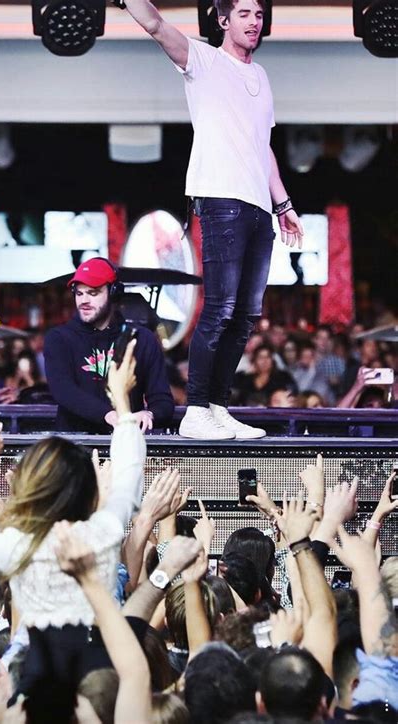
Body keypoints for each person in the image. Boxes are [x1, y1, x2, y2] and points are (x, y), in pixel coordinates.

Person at [0, 341, 146, 723]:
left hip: (37, 682)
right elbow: (128, 477)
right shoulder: (103, 532)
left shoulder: (18, 546)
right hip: (101, 674)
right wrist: (122, 404)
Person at [123, 0, 303, 440]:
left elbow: (263, 148)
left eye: (259, 15)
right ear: (223, 20)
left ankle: (218, 407)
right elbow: (154, 23)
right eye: (243, 14)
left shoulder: (260, 77)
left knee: (246, 314)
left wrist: (284, 205)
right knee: (220, 309)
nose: (253, 22)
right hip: (222, 198)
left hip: (260, 206)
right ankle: (196, 409)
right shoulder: (203, 60)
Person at [44, 257, 174, 433]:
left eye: (93, 293)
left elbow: (163, 401)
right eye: (79, 293)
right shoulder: (59, 339)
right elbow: (64, 391)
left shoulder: (143, 339)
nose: (83, 301)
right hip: (74, 448)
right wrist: (110, 415)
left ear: (113, 292)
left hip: (126, 444)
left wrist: (150, 414)